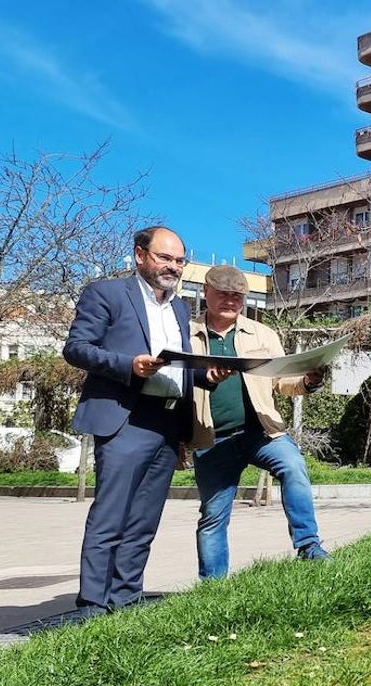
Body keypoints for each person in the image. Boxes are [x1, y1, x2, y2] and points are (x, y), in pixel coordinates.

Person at [64, 225, 228, 615]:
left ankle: (125, 598)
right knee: (111, 515)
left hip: (168, 423)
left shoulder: (179, 307)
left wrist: (206, 375)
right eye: (164, 257)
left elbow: (177, 366)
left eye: (179, 260)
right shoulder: (105, 294)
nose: (173, 267)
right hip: (126, 419)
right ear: (140, 256)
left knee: (143, 520)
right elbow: (76, 348)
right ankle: (92, 603)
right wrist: (128, 365)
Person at [189, 265, 330, 579]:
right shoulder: (185, 333)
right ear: (205, 292)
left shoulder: (262, 333)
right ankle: (213, 588)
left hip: (263, 432)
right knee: (212, 515)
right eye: (223, 293)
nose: (230, 300)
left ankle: (308, 546)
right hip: (212, 439)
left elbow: (282, 380)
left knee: (294, 467)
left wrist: (307, 381)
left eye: (237, 295)